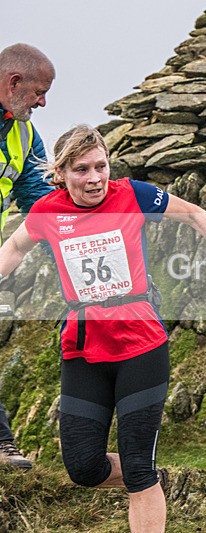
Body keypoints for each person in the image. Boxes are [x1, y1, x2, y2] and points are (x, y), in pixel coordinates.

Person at [0, 125, 206, 531]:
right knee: (83, 467)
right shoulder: (48, 211)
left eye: (100, 166)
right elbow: (16, 247)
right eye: (82, 170)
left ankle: (146, 474)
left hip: (140, 343)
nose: (94, 178)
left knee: (138, 468)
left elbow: (193, 213)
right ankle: (153, 473)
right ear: (62, 173)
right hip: (84, 348)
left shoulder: (132, 194)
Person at [0, 43, 57, 470]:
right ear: (13, 83)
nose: (43, 101)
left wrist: (74, 241)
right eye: (39, 91)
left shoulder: (24, 133)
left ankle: (1, 445)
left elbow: (39, 198)